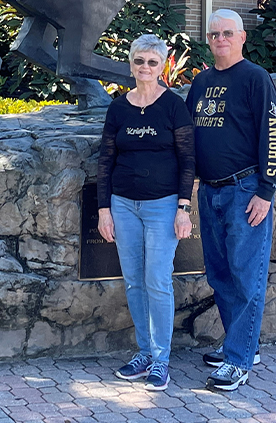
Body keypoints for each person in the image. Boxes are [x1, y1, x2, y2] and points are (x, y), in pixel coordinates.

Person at [186, 9, 276, 391]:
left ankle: (239, 362)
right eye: (214, 34)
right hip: (209, 191)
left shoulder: (255, 79)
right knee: (220, 275)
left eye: (227, 33)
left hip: (245, 192)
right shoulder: (201, 81)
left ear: (242, 37)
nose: (220, 40)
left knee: (246, 276)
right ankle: (241, 344)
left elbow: (271, 137)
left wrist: (266, 191)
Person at [97, 33, 195, 390]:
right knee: (135, 281)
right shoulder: (119, 107)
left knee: (156, 280)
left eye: (152, 62)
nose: (145, 68)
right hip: (123, 206)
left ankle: (162, 359)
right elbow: (106, 160)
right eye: (139, 61)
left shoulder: (174, 107)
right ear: (131, 64)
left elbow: (188, 161)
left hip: (162, 207)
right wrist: (103, 209)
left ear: (162, 66)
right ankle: (144, 353)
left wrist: (184, 208)